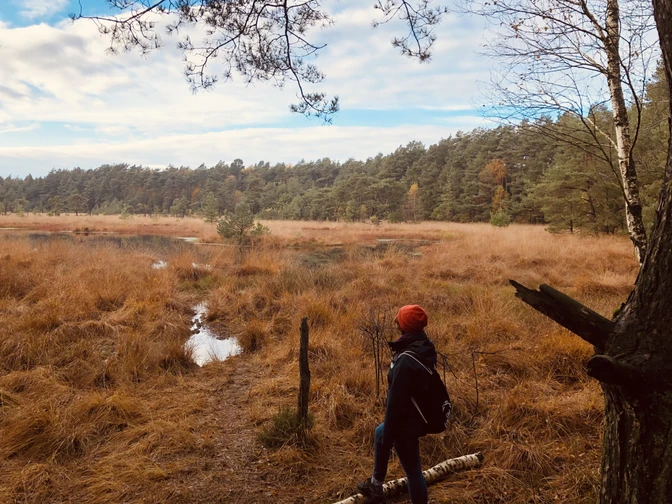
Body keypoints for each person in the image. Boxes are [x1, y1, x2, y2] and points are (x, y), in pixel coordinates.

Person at [357, 304, 437, 504]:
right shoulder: (425, 347)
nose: (396, 321)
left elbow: (395, 403)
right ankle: (376, 484)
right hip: (417, 413)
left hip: (407, 420)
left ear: (405, 326)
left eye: (399, 319)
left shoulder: (405, 361)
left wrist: (390, 434)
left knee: (413, 471)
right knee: (379, 432)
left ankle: (379, 487)